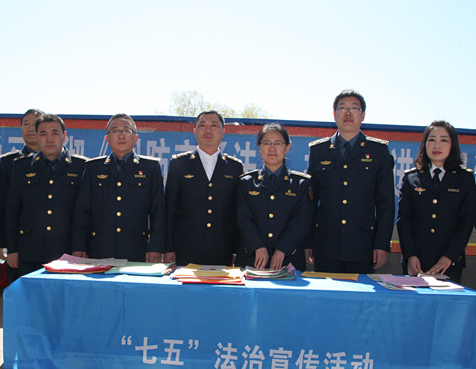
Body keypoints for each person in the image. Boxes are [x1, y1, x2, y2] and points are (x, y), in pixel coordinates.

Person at [305, 89, 395, 274]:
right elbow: (309, 202)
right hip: (326, 244)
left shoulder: (378, 151)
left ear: (363, 115)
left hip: (363, 245)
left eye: (354, 108)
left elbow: (386, 204)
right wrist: (308, 241)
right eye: (342, 108)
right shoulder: (319, 150)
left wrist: (381, 244)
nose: (348, 113)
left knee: (361, 293)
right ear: (334, 114)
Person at [72, 114, 165, 262]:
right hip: (100, 249)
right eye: (115, 131)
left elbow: (158, 211)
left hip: (137, 249)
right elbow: (82, 211)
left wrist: (156, 246)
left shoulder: (150, 168)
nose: (121, 135)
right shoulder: (93, 168)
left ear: (135, 137)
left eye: (126, 130)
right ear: (107, 139)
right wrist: (79, 246)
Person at [5, 113, 88, 276]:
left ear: (64, 136)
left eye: (54, 133)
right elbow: (12, 210)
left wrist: (80, 247)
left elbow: (84, 212)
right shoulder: (22, 167)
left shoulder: (81, 166)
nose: (49, 139)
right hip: (29, 250)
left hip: (67, 251)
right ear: (37, 136)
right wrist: (12, 249)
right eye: (43, 134)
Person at [396, 121, 476, 283]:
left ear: (453, 145)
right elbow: (403, 220)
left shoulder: (465, 179)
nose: (437, 145)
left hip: (448, 264)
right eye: (432, 140)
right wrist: (410, 255)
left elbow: (466, 221)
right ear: (424, 144)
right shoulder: (411, 178)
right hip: (416, 263)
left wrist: (449, 256)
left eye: (444, 140)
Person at [164, 111, 243, 266]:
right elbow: (170, 210)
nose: (208, 130)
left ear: (223, 132)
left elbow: (237, 213)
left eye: (214, 126)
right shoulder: (179, 164)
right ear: (195, 131)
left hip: (222, 250)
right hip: (185, 249)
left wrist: (236, 250)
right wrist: (168, 248)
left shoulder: (235, 167)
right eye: (202, 126)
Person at [236, 124, 313, 271]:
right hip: (253, 258)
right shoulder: (246, 182)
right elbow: (243, 219)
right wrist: (258, 246)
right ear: (260, 147)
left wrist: (282, 249)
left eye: (278, 143)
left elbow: (301, 222)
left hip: (288, 259)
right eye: (267, 143)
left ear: (287, 147)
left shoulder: (301, 183)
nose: (272, 148)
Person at [0, 108, 41, 283]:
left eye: (35, 124)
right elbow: (2, 204)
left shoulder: (57, 161)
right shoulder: (10, 162)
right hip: (19, 242)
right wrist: (1, 242)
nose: (30, 128)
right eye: (26, 124)